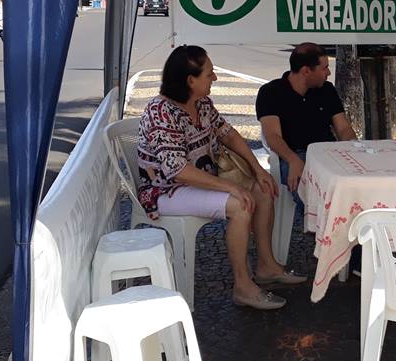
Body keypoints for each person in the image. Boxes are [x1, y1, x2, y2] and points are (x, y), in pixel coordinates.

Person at [138, 45, 303, 312]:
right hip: (166, 191)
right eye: (209, 74)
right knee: (239, 205)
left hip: (200, 181)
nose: (214, 78)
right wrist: (231, 188)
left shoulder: (201, 103)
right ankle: (243, 287)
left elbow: (228, 134)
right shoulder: (161, 112)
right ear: (190, 81)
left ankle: (267, 267)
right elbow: (179, 171)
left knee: (262, 189)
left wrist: (258, 170)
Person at [256, 42, 357, 215]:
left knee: (356, 188)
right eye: (324, 68)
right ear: (306, 71)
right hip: (293, 155)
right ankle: (325, 233)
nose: (328, 73)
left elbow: (343, 128)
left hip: (328, 153)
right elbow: (272, 136)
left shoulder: (327, 90)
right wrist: (293, 159)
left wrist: (353, 146)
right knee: (316, 198)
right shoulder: (270, 92)